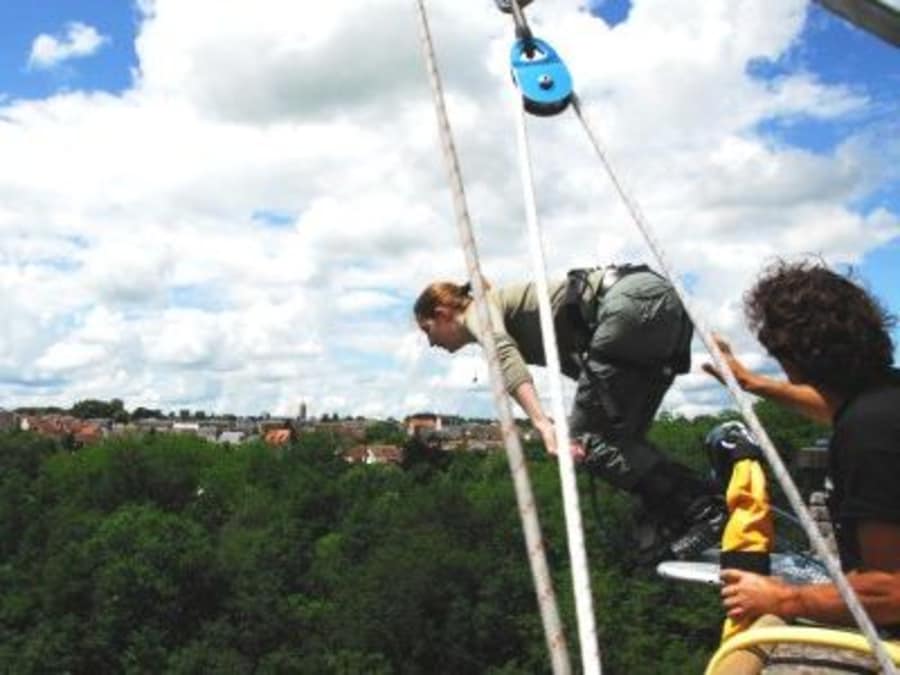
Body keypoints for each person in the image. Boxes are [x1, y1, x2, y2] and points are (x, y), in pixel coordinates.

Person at [414, 263, 726, 563]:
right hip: (659, 303)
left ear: (442, 314)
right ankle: (696, 505)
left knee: (584, 441)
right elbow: (582, 369)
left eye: (427, 330)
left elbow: (503, 353)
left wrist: (543, 424)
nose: (430, 343)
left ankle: (704, 511)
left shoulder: (477, 311)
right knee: (622, 440)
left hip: (627, 307)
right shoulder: (514, 311)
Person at [703, 260, 900, 643]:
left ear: (790, 361)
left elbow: (892, 591)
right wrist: (751, 382)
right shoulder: (884, 398)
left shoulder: (867, 432)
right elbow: (831, 404)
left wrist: (785, 597)